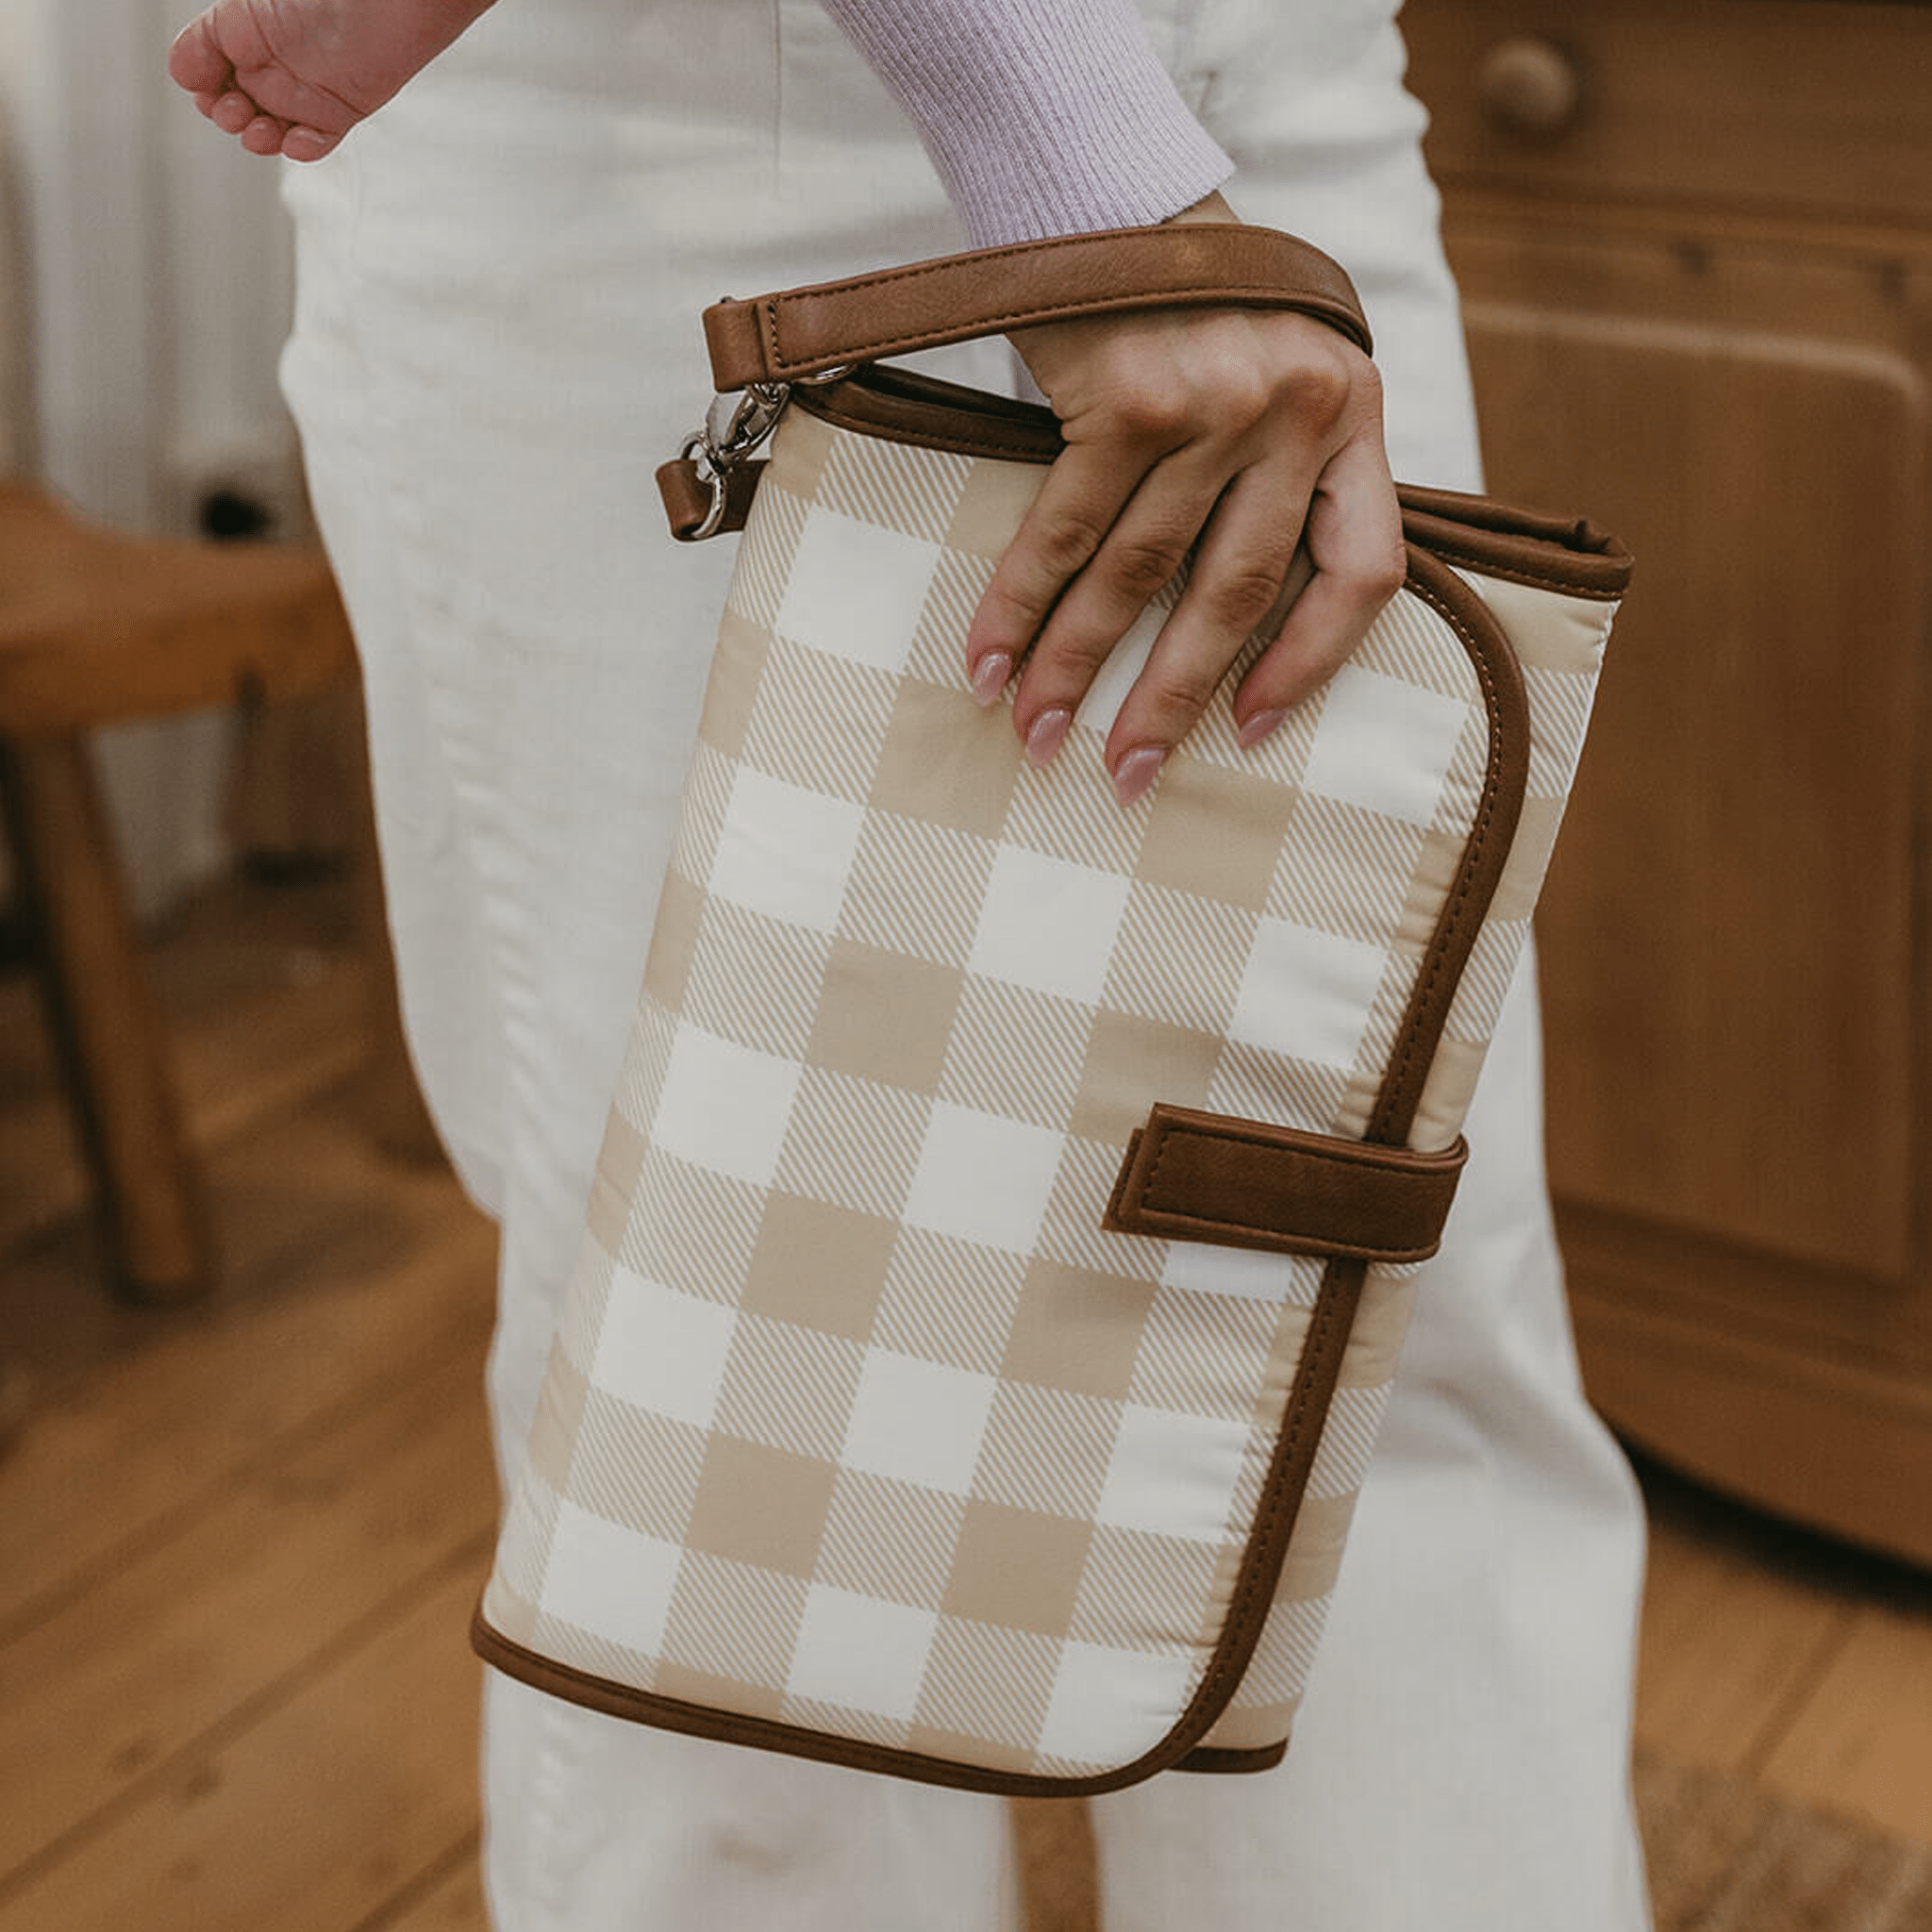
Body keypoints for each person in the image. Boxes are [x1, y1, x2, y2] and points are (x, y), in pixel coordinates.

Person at [168, 4, 1655, 1927]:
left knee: (1359, 1318)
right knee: (750, 1409)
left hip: (1273, 102)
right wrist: (1078, 158)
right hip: (734, 131)